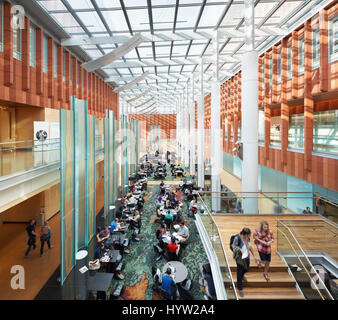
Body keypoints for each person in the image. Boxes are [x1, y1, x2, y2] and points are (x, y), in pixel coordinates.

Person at [232, 228, 260, 298]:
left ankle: (242, 276)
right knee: (239, 274)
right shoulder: (237, 238)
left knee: (247, 269)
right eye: (248, 235)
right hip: (240, 259)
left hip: (247, 257)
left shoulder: (248, 239)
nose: (248, 237)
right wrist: (239, 249)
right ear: (244, 234)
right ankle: (240, 289)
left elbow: (250, 247)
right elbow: (233, 246)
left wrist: (254, 256)